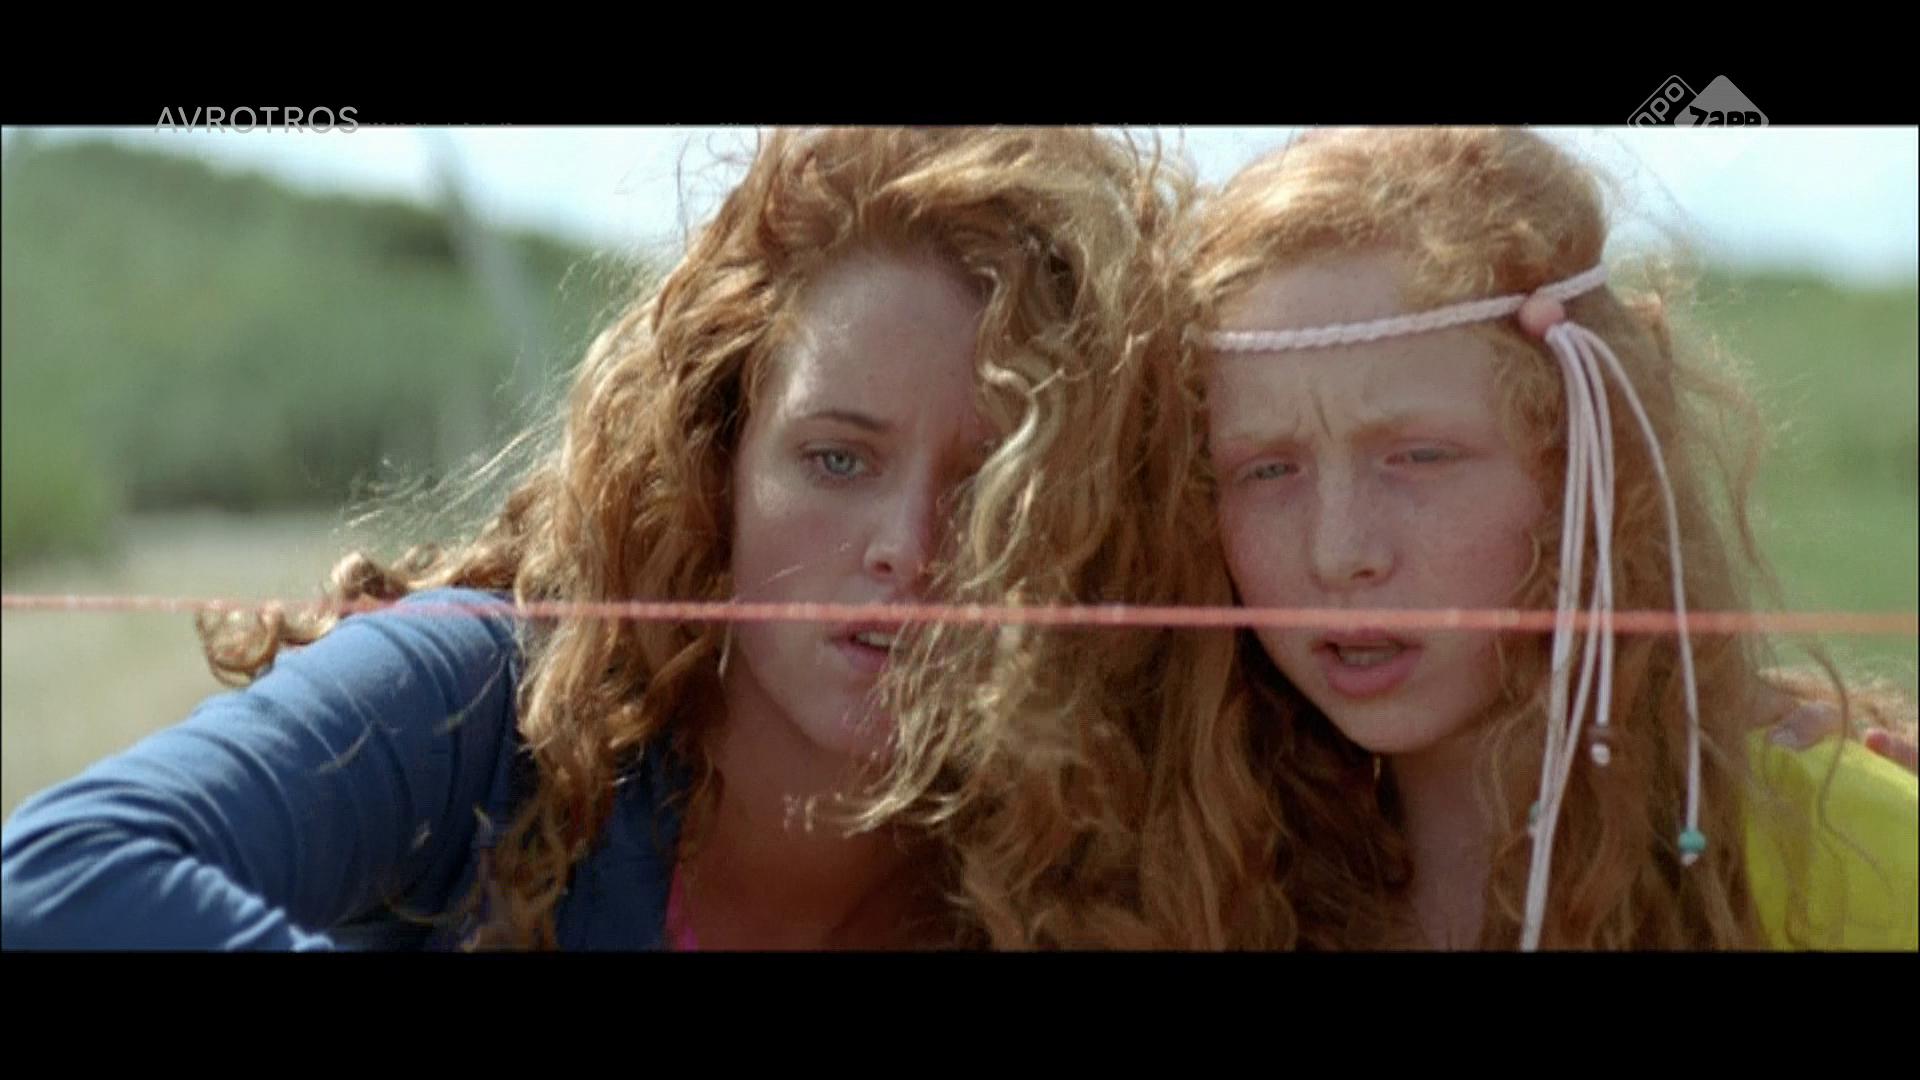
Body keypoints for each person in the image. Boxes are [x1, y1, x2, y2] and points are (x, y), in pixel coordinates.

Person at [0, 126, 1199, 950]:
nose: (909, 547)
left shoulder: (1081, 865)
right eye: (838, 459)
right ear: (719, 459)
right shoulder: (487, 703)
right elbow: (57, 875)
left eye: (996, 486)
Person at [1158, 127, 1918, 949]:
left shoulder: (1848, 857)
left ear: (1585, 461)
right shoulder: (1182, 882)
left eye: (1419, 457)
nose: (1339, 553)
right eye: (1268, 470)